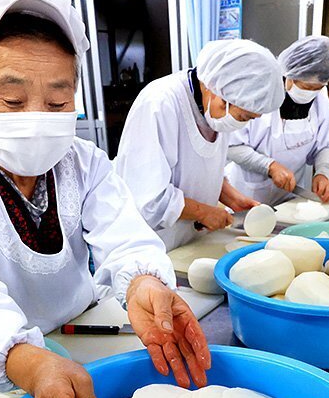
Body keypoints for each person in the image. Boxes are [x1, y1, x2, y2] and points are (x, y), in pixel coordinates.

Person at [0, 0, 210, 398]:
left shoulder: (86, 162)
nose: (38, 118)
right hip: (8, 366)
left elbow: (126, 237)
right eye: (14, 102)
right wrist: (29, 362)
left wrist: (143, 283)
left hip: (83, 329)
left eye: (58, 104)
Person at [114, 39, 285, 251]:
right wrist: (204, 212)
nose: (243, 123)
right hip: (151, 246)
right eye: (244, 117)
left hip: (187, 242)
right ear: (220, 94)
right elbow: (149, 199)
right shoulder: (160, 103)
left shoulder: (212, 109)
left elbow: (199, 166)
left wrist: (231, 197)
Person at [225, 36, 329, 207]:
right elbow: (231, 147)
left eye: (318, 88)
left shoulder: (320, 97)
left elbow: (326, 144)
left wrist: (323, 173)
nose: (311, 93)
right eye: (307, 87)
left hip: (289, 201)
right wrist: (269, 166)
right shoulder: (260, 92)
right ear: (289, 75)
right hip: (246, 197)